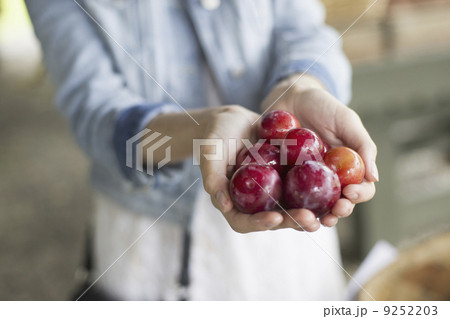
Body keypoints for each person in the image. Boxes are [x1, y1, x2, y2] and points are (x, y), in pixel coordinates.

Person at [26, 0, 378, 300]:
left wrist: (300, 86)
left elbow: (303, 30)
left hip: (289, 229)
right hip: (151, 234)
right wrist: (200, 131)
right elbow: (94, 113)